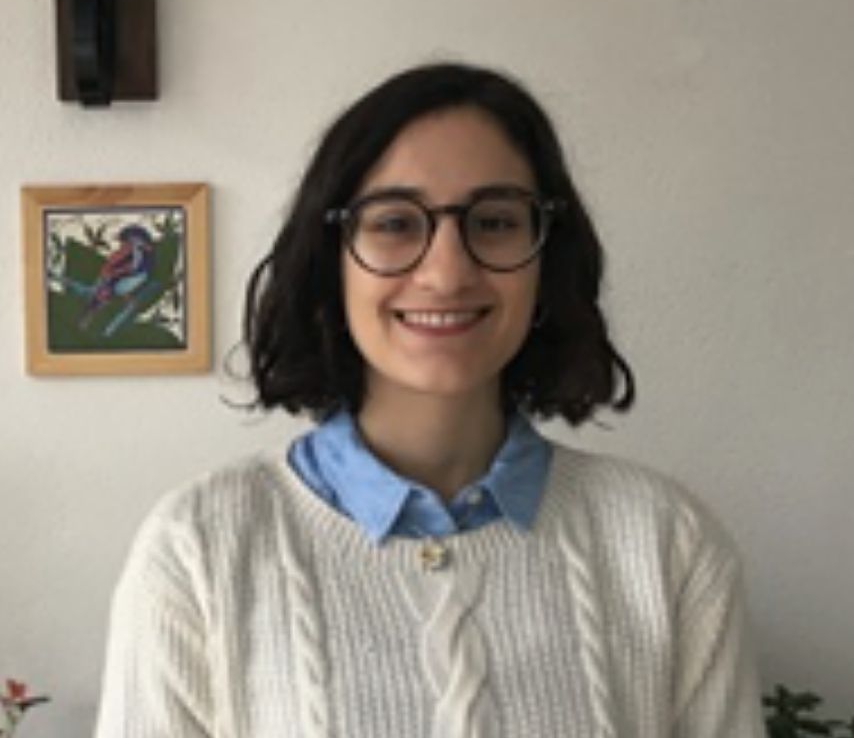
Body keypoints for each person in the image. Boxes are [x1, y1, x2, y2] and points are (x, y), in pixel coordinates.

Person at [93, 62, 765, 738]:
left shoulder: (666, 545)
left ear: (546, 258)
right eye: (395, 222)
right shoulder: (197, 548)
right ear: (331, 260)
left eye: (494, 221)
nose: (447, 273)